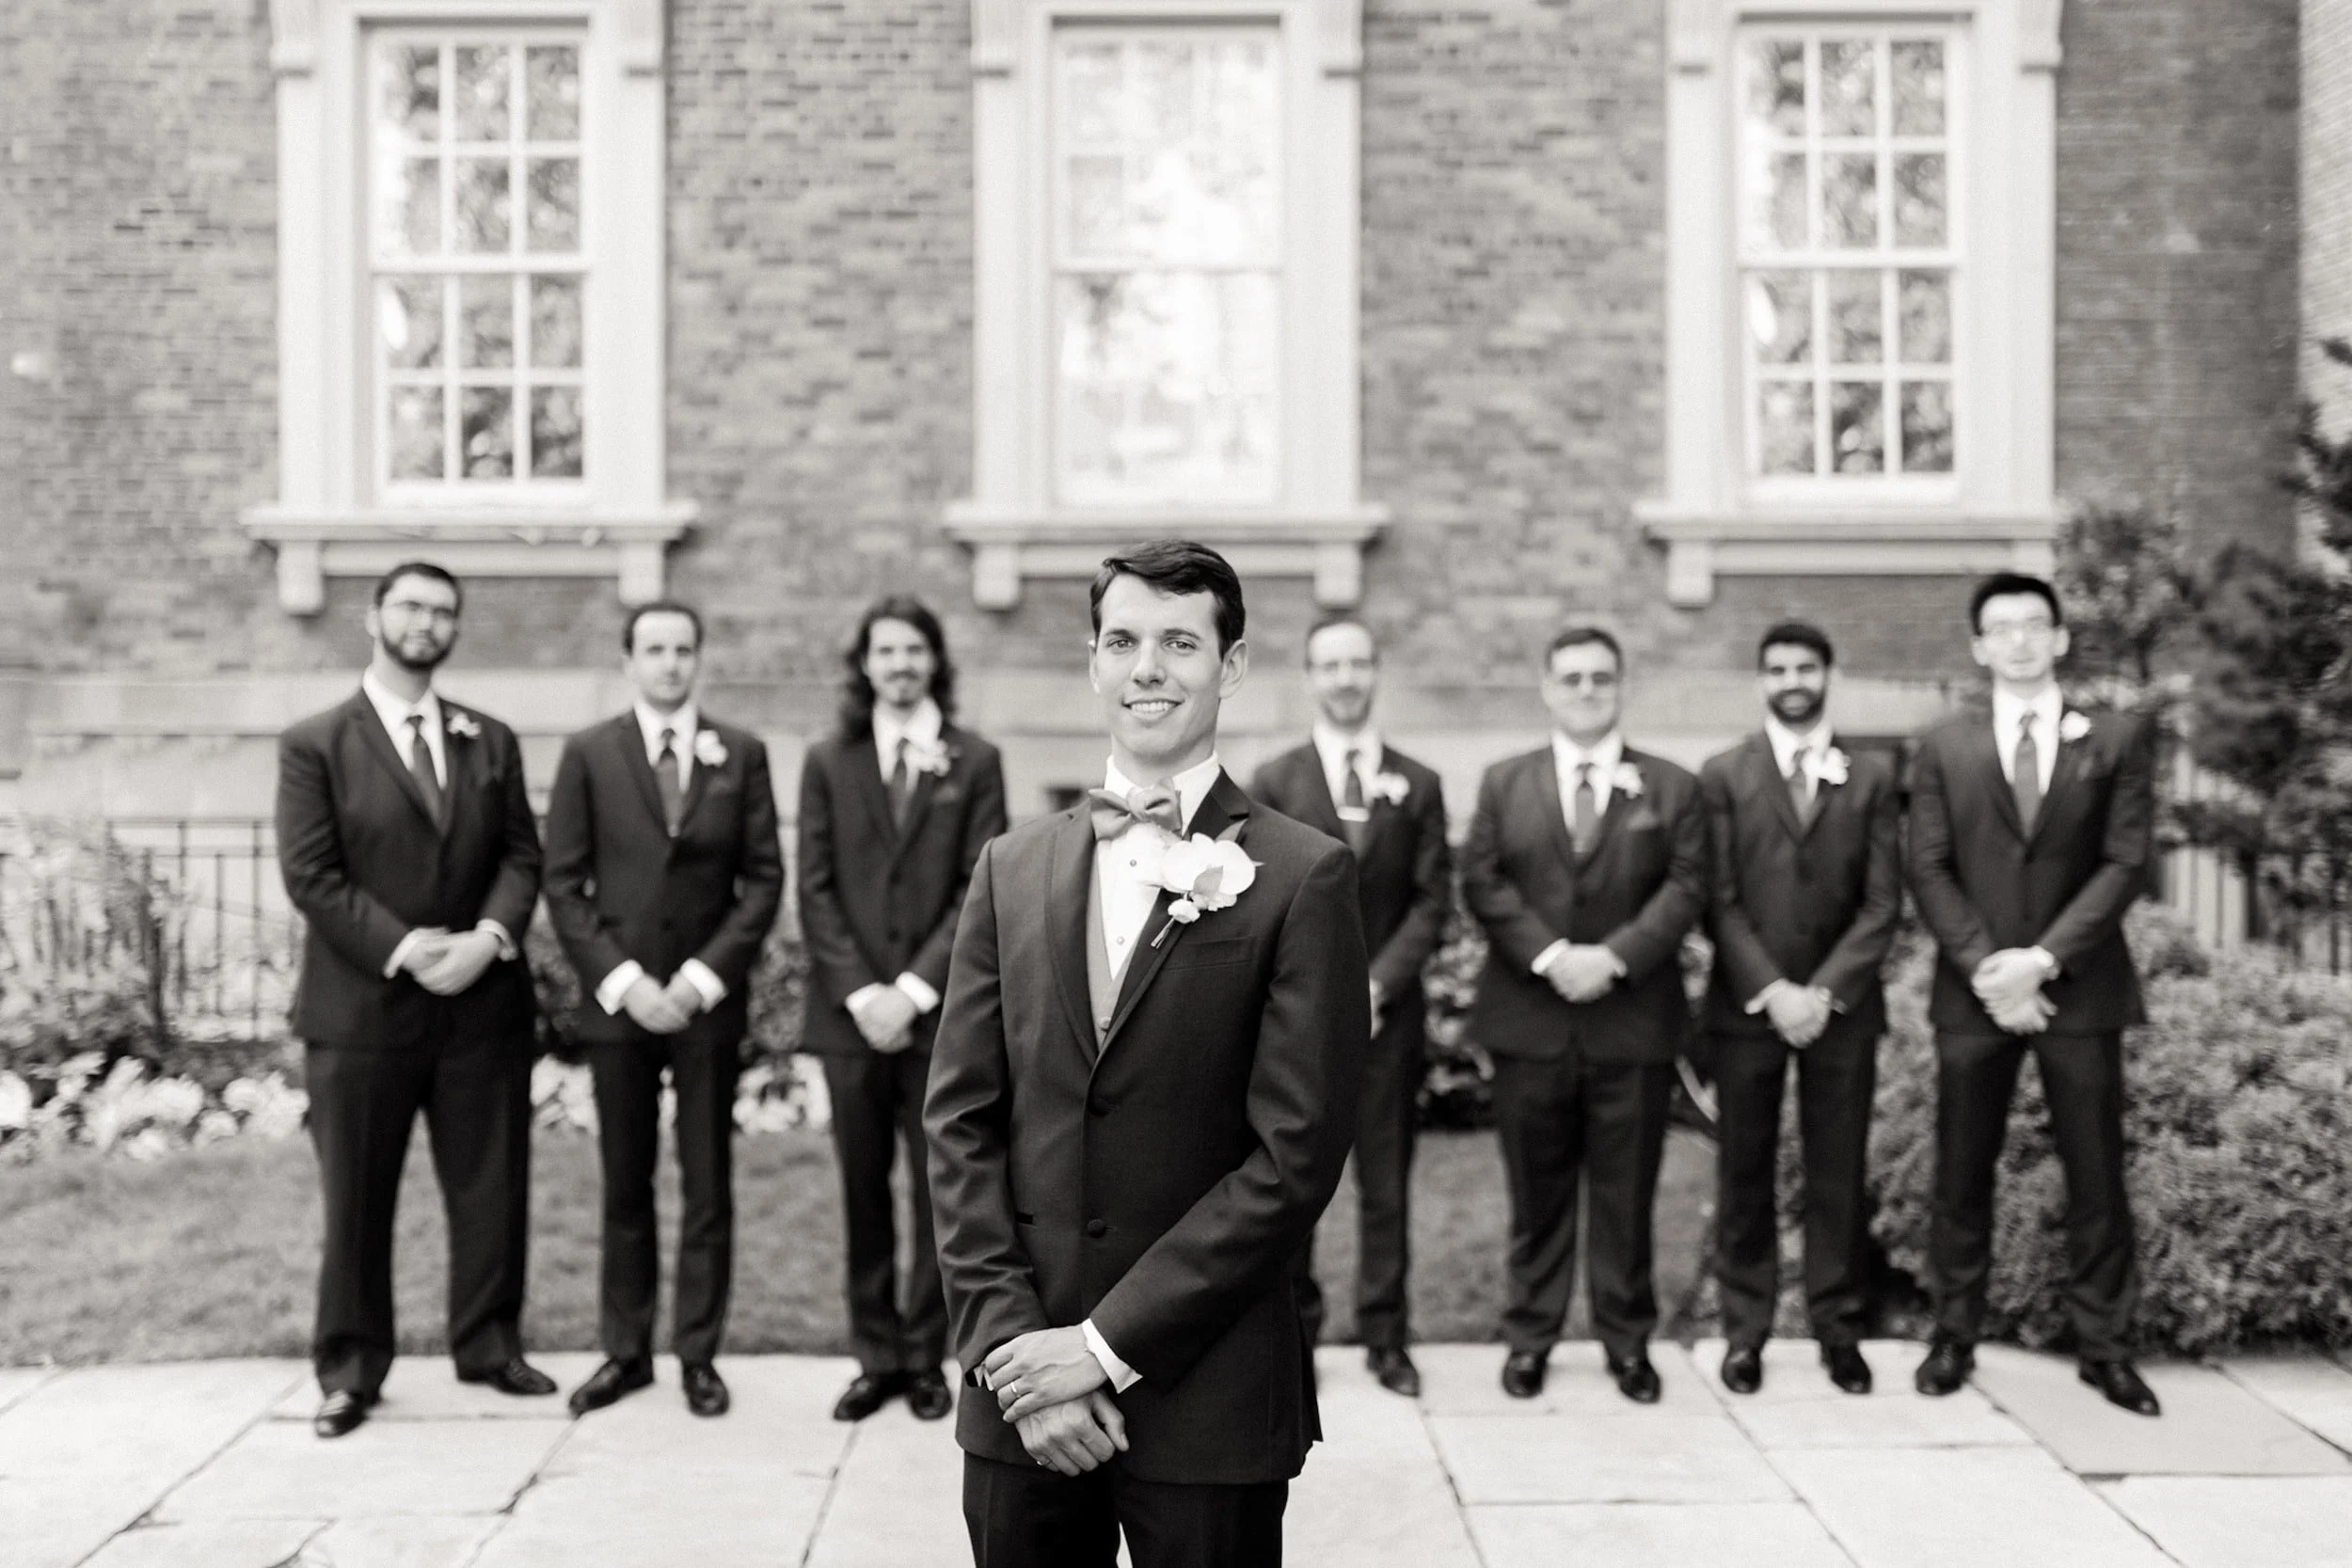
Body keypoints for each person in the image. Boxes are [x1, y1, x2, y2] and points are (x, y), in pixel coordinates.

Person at [925, 540, 1369, 1568]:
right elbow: (959, 1123)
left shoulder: (1303, 876)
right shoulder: (1010, 866)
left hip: (1205, 1394)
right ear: (1093, 662)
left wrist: (1100, 1348)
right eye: (1122, 640)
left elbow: (1292, 1158)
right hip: (1020, 1394)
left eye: (1179, 641)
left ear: (1233, 664)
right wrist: (1012, 1353)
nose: (1148, 667)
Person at [275, 562, 553, 1439]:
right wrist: (405, 947)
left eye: (442, 610)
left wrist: (487, 938)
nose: (427, 621)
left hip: (481, 1002)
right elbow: (311, 872)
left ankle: (489, 1343)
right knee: (357, 1195)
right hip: (360, 1010)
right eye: (411, 606)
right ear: (374, 617)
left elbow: (521, 855)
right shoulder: (316, 741)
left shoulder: (491, 738)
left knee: (491, 1186)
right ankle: (351, 1368)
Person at [1907, 573, 2161, 1417]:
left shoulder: (2117, 737)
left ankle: (2107, 1347)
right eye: (2000, 627)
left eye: (2033, 625)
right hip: (1973, 995)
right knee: (1960, 1170)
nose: (2018, 640)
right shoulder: (1943, 744)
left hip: (2079, 992)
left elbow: (2125, 860)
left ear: (2058, 638)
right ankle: (1953, 1334)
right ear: (1979, 646)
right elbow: (1929, 864)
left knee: (2095, 1175)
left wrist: (2043, 962)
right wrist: (1992, 968)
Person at [543, 601, 785, 1419]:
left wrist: (698, 981)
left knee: (708, 1181)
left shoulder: (741, 754)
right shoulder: (588, 754)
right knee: (626, 1180)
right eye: (655, 649)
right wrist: (624, 983)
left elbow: (762, 882)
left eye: (684, 649)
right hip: (620, 1007)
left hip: (705, 1008)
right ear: (629, 661)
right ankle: (625, 1350)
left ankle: (698, 1353)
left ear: (698, 660)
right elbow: (564, 885)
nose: (671, 662)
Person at [1460, 626, 1707, 1404]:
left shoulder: (1671, 786)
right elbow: (1485, 882)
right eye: (1572, 678)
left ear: (1621, 685)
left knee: (1625, 1195)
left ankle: (1627, 1341)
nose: (1587, 690)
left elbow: (1687, 885)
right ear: (1547, 687)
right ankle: (1530, 1335)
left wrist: (1615, 957)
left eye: (1602, 678)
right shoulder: (1505, 782)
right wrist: (1551, 956)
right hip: (1530, 1022)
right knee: (1536, 1194)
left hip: (1632, 1022)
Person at [799, 596, 1007, 1423]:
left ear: (935, 662)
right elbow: (813, 885)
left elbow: (979, 886)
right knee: (861, 1188)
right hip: (848, 1019)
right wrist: (862, 994)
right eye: (884, 650)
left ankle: (927, 1355)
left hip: (938, 1017)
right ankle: (875, 1354)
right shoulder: (828, 760)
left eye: (914, 649)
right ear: (864, 664)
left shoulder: (976, 760)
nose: (899, 664)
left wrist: (913, 991)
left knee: (937, 1191)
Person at [1248, 615, 1450, 1398]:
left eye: (1359, 662)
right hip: (1298, 1027)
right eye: (1330, 664)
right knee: (1293, 1183)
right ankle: (1294, 1334)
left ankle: (1387, 1336)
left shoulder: (1420, 782)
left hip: (1389, 1021)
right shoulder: (1273, 779)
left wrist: (1379, 982)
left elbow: (1434, 899)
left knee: (1386, 1181)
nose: (1345, 677)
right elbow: (1262, 896)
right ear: (1308, 675)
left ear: (1375, 673)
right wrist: (1327, 986)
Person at [1698, 622, 1900, 1397]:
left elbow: (1884, 901)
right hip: (1748, 1007)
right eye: (1777, 668)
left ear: (1827, 674)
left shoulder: (1874, 776)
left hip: (1842, 1009)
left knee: (1837, 1170)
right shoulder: (1723, 774)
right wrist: (1774, 990)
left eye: (1805, 666)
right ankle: (1744, 1331)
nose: (1792, 679)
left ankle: (1837, 1328)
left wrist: (1825, 991)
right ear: (1761, 681)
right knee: (1743, 1171)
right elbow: (1715, 895)